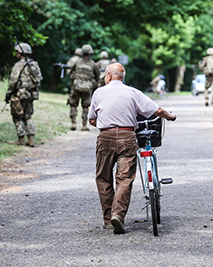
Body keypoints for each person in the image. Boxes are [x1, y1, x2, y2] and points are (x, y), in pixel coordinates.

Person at [88, 63, 176, 234]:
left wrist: (106, 124)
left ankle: (108, 220)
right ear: (122, 77)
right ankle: (118, 215)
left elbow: (92, 119)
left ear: (108, 75)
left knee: (103, 178)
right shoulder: (132, 92)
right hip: (128, 137)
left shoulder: (99, 92)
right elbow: (156, 110)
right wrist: (170, 116)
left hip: (105, 137)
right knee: (124, 178)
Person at [5, 43, 43, 147]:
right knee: (28, 116)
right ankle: (31, 139)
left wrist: (8, 94)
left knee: (17, 116)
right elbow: (39, 79)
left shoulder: (18, 65)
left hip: (21, 94)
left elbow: (13, 81)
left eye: (17, 51)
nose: (16, 53)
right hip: (31, 94)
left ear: (21, 53)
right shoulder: (34, 64)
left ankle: (21, 139)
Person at [68, 44, 100, 131]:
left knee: (73, 104)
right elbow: (97, 75)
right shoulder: (93, 64)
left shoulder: (77, 62)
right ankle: (84, 125)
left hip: (76, 86)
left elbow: (71, 72)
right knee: (85, 106)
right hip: (87, 87)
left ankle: (73, 123)